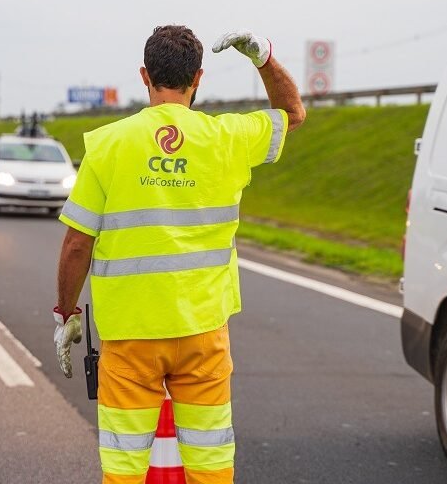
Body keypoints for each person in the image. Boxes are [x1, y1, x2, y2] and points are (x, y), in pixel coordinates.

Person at [54, 25, 305, 484]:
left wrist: (66, 312)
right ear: (199, 78)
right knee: (210, 465)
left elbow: (77, 244)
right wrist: (263, 57)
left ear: (144, 76)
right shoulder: (227, 137)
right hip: (203, 334)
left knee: (124, 468)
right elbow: (292, 111)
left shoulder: (109, 144)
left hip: (130, 336)